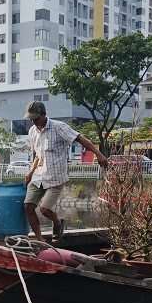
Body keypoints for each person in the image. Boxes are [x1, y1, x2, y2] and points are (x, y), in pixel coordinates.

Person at [23, 100, 108, 242]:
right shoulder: (32, 131)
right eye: (30, 118)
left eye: (35, 118)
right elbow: (38, 155)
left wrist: (98, 154)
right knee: (28, 206)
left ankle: (57, 221)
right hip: (38, 176)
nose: (33, 121)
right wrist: (31, 171)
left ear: (44, 114)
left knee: (44, 209)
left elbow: (81, 139)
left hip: (56, 177)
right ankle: (40, 240)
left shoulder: (59, 127)